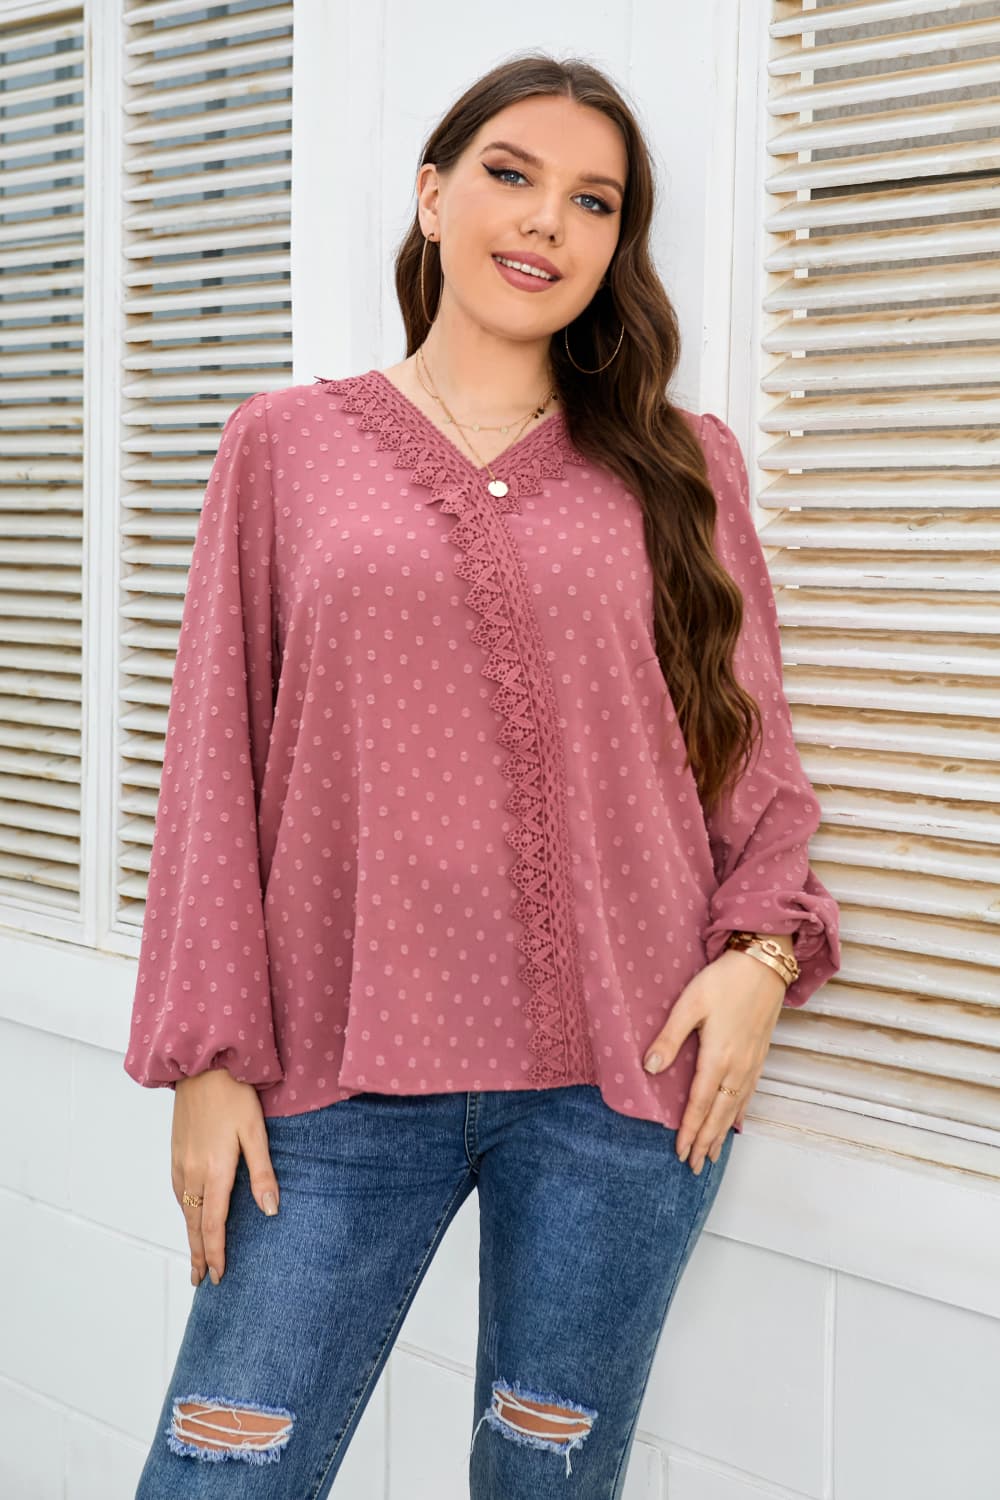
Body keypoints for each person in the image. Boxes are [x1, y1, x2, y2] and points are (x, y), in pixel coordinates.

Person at [127, 53, 840, 1499]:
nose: (546, 222)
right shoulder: (284, 445)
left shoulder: (681, 465)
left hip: (619, 1084)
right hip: (335, 1079)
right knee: (222, 1474)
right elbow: (213, 755)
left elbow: (744, 740)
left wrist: (762, 957)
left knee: (545, 1482)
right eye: (512, 174)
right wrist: (205, 1058)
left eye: (595, 201)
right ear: (432, 195)